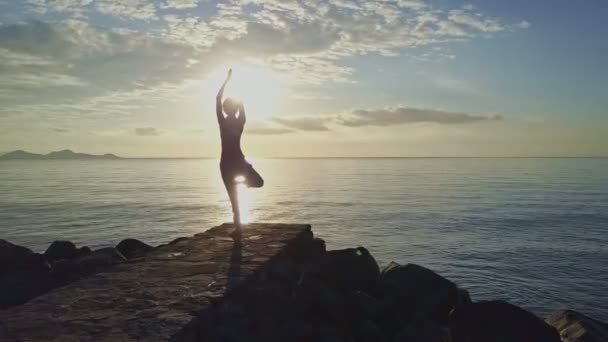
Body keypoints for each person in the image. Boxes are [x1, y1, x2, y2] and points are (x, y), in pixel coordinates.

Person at [216, 69, 264, 226]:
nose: (229, 109)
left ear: (235, 108)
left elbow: (241, 103)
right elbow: (218, 99)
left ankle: (239, 183)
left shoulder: (240, 120)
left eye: (232, 107)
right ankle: (238, 232)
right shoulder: (222, 122)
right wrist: (227, 81)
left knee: (258, 182)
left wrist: (237, 85)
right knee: (234, 203)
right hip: (226, 163)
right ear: (224, 109)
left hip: (239, 161)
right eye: (227, 107)